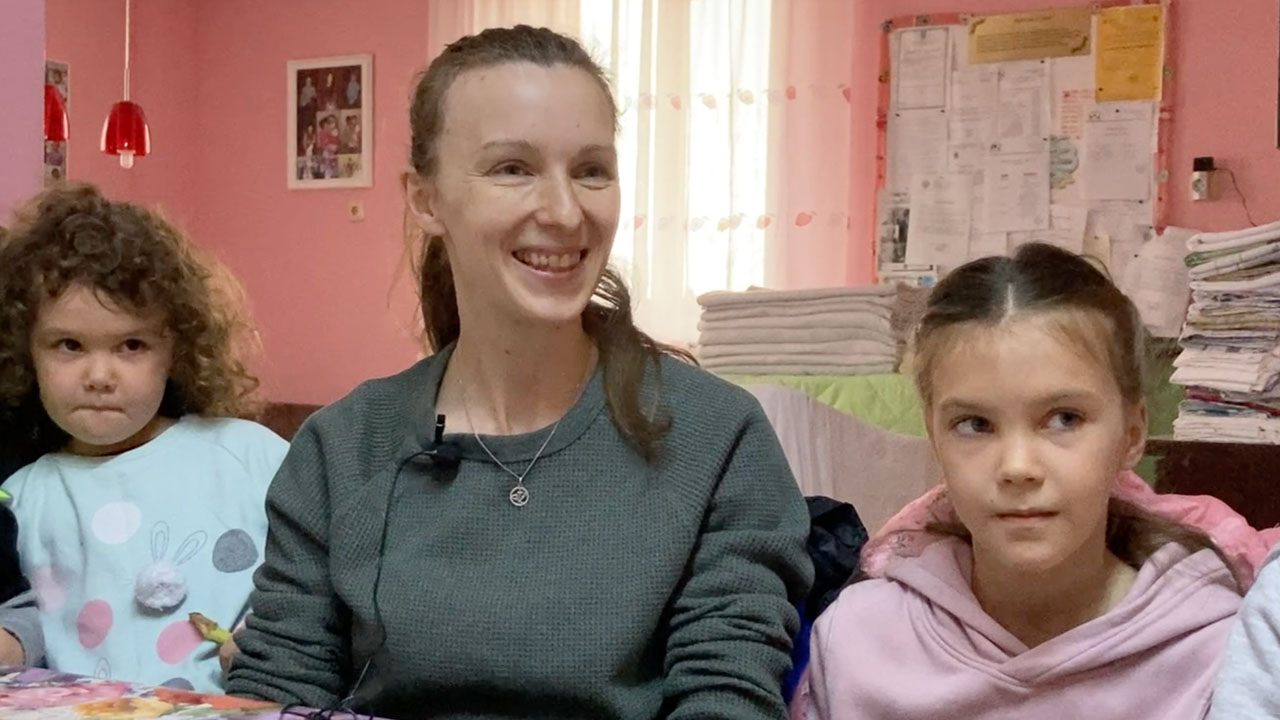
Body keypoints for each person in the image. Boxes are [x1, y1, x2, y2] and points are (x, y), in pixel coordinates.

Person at [227, 24, 812, 720]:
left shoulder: (718, 439)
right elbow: (276, 695)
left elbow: (728, 698)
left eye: (592, 169)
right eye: (513, 168)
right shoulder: (341, 448)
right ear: (425, 199)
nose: (565, 212)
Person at [796, 243, 1263, 720]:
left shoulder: (1221, 653)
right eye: (975, 424)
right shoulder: (854, 641)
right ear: (934, 440)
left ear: (1132, 434)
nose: (1018, 467)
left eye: (1064, 418)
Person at [0, 184, 288, 691]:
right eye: (69, 345)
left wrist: (277, 636)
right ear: (26, 353)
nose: (99, 374)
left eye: (131, 345)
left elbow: (327, 578)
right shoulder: (19, 499)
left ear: (175, 349)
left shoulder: (250, 455)